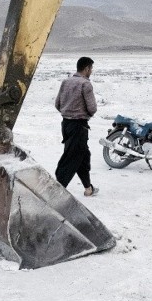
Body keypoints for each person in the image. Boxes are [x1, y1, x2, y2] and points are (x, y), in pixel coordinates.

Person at [54, 56, 99, 197]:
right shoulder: (85, 84)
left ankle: (88, 188)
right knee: (72, 158)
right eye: (91, 69)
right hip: (79, 126)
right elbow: (92, 108)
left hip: (66, 125)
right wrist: (81, 114)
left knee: (83, 156)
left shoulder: (66, 82)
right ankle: (57, 190)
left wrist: (67, 112)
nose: (91, 71)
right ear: (86, 68)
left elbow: (57, 104)